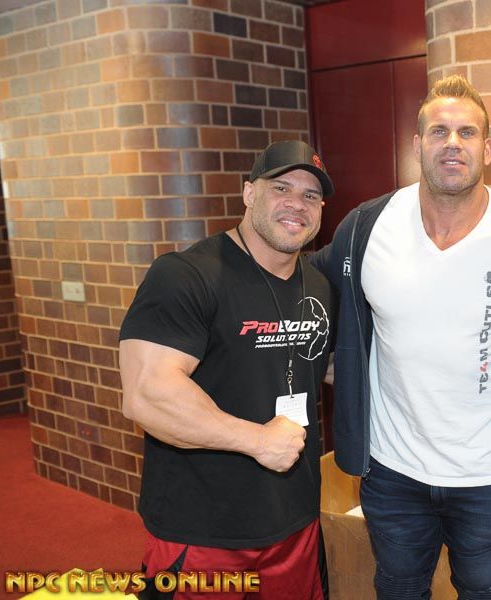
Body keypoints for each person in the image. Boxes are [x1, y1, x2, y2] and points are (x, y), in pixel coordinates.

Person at [309, 75, 491, 599]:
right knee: (398, 590)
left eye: (467, 132)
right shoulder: (368, 227)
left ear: (487, 149)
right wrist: (335, 362)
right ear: (417, 144)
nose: (452, 143)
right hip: (393, 472)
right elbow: (309, 294)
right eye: (439, 131)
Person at [119, 140, 336, 600]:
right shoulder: (186, 275)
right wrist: (258, 440)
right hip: (203, 528)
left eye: (311, 195)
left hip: (295, 520)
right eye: (281, 188)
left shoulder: (318, 284)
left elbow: (321, 364)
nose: (296, 203)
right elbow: (148, 393)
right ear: (249, 193)